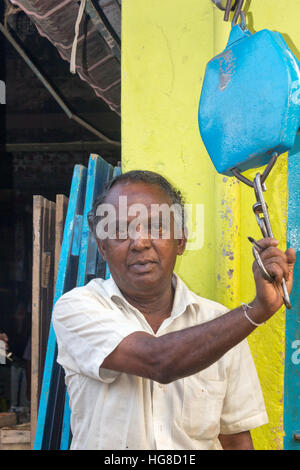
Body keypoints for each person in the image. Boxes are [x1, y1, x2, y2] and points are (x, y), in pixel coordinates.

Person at [53, 170, 295, 450]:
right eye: (120, 231)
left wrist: (251, 314)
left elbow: (236, 441)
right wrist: (256, 311)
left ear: (180, 241)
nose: (140, 243)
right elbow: (159, 361)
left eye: (156, 227)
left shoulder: (220, 324)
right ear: (103, 248)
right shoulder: (78, 308)